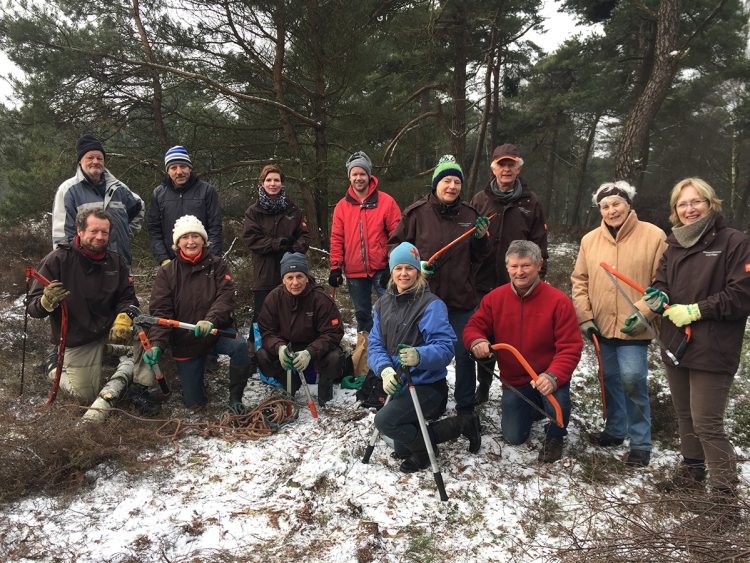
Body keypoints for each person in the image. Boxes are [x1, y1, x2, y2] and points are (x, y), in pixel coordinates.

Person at [646, 178, 750, 509]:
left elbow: (742, 293)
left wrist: (696, 310)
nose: (689, 209)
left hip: (713, 345)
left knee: (707, 422)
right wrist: (659, 294)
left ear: (710, 203)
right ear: (675, 211)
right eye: (682, 204)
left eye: (696, 202)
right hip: (676, 343)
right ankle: (692, 471)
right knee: (684, 415)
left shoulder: (734, 242)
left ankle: (724, 498)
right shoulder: (674, 243)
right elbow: (661, 280)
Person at [389, 155, 489, 443]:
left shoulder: (471, 215)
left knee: (463, 353)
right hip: (423, 300)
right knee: (422, 352)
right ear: (435, 184)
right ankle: (429, 399)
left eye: (457, 181)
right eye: (447, 180)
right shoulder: (416, 213)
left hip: (460, 299)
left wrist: (482, 239)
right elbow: (395, 247)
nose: (452, 186)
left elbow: (481, 256)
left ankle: (466, 408)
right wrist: (415, 264)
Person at [571, 181, 667, 467]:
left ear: (628, 204)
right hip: (601, 324)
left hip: (634, 327)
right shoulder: (590, 240)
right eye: (605, 206)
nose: (611, 210)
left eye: (616, 204)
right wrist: (585, 317)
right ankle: (615, 429)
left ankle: (640, 442)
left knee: (632, 379)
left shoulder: (654, 236)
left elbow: (661, 283)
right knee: (610, 378)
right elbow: (580, 280)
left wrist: (644, 313)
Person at [463, 240, 582, 463]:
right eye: (514, 266)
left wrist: (553, 376)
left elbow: (571, 347)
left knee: (558, 401)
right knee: (513, 437)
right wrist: (477, 341)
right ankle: (534, 407)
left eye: (526, 265)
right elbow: (473, 327)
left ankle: (556, 435)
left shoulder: (559, 302)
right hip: (515, 382)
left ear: (538, 266)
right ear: (507, 267)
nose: (519, 272)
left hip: (547, 377)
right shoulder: (494, 299)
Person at [28, 208, 141, 405]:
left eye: (104, 232)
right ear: (79, 231)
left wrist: (124, 316)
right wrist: (46, 301)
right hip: (78, 338)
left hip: (109, 330)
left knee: (147, 336)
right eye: (94, 231)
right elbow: (33, 308)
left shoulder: (115, 261)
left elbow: (128, 297)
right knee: (84, 397)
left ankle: (140, 385)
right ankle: (53, 366)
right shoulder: (57, 260)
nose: (100, 237)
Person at [370, 242, 464, 473]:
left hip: (426, 386)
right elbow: (375, 344)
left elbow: (445, 348)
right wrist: (384, 369)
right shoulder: (383, 304)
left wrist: (419, 355)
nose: (404, 273)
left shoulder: (431, 305)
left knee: (384, 422)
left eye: (409, 268)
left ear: (418, 271)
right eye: (398, 268)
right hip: (399, 383)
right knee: (402, 445)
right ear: (391, 271)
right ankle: (459, 425)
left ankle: (425, 452)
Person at [144, 215, 250, 410]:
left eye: (195, 236)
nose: (190, 242)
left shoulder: (217, 265)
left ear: (203, 239)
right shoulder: (167, 273)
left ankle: (235, 396)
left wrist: (211, 320)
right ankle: (195, 377)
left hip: (215, 333)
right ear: (177, 243)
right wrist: (157, 343)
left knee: (240, 346)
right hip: (186, 342)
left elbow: (226, 297)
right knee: (195, 403)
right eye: (185, 237)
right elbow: (161, 311)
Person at [470, 143, 548, 403]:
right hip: (482, 283)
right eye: (501, 164)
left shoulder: (530, 202)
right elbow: (469, 242)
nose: (506, 169)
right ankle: (484, 384)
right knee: (485, 339)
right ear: (493, 168)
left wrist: (539, 277)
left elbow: (540, 243)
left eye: (511, 164)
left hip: (517, 286)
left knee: (515, 339)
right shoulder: (480, 200)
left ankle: (517, 389)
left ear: (518, 167)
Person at [257, 252, 344, 407]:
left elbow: (333, 333)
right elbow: (267, 331)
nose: (295, 282)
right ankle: (289, 383)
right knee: (262, 355)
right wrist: (279, 347)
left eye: (299, 276)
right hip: (287, 347)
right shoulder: (273, 298)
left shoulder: (320, 299)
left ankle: (325, 390)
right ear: (283, 279)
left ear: (306, 277)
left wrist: (309, 352)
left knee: (335, 356)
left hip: (315, 348)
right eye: (290, 277)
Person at [329, 151, 401, 335]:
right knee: (362, 315)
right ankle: (366, 351)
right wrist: (335, 267)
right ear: (349, 177)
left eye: (362, 174)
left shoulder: (386, 202)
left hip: (382, 269)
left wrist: (393, 265)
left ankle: (391, 346)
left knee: (392, 310)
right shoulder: (341, 207)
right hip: (354, 271)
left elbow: (397, 235)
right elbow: (337, 238)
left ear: (369, 175)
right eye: (355, 174)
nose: (358, 178)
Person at [52, 134, 144, 267]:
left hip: (119, 265)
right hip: (84, 268)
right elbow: (61, 237)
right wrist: (64, 267)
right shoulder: (68, 191)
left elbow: (139, 206)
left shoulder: (119, 188)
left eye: (99, 158)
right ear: (80, 161)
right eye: (90, 157)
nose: (95, 161)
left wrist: (125, 233)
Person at [243, 163, 310, 321]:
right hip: (264, 273)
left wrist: (293, 250)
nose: (273, 184)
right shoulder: (253, 211)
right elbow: (251, 239)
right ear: (262, 183)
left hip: (291, 272)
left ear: (282, 183)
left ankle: (290, 344)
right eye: (268, 180)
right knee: (261, 316)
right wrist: (278, 243)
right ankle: (256, 345)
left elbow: (305, 236)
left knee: (290, 314)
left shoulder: (293, 210)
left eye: (276, 180)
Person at [148, 145, 223, 266]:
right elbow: (154, 229)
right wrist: (163, 259)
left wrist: (212, 257)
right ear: (168, 171)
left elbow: (215, 227)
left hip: (203, 260)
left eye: (183, 166)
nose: (179, 172)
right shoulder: (159, 193)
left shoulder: (207, 190)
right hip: (171, 263)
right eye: (173, 168)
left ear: (189, 168)